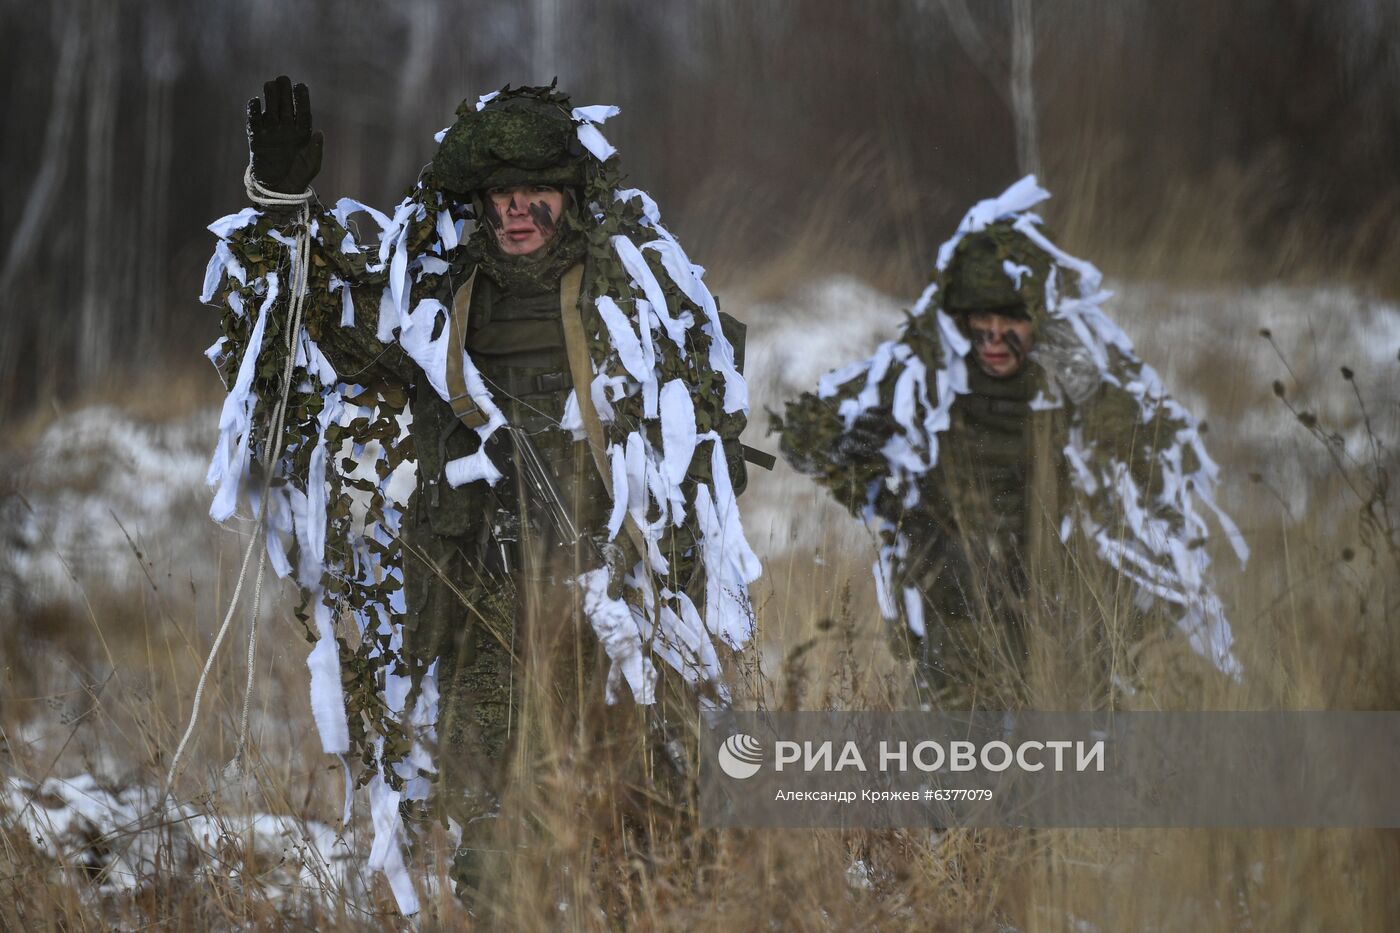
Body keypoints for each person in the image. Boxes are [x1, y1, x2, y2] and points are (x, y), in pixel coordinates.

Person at [203, 77, 765, 905]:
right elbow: (304, 329)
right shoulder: (434, 301)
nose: (517, 209)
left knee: (648, 829)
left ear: (570, 198)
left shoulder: (631, 302)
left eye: (536, 191)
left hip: (615, 614)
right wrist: (285, 206)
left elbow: (709, 450)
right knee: (499, 846)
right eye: (501, 193)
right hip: (486, 617)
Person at [775, 177, 1247, 709]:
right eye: (982, 323)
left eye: (1012, 324)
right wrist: (851, 451)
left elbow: (1155, 460)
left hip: (1064, 631)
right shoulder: (923, 376)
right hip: (956, 627)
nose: (995, 341)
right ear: (960, 319)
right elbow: (800, 436)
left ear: (1039, 321)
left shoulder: (1073, 379)